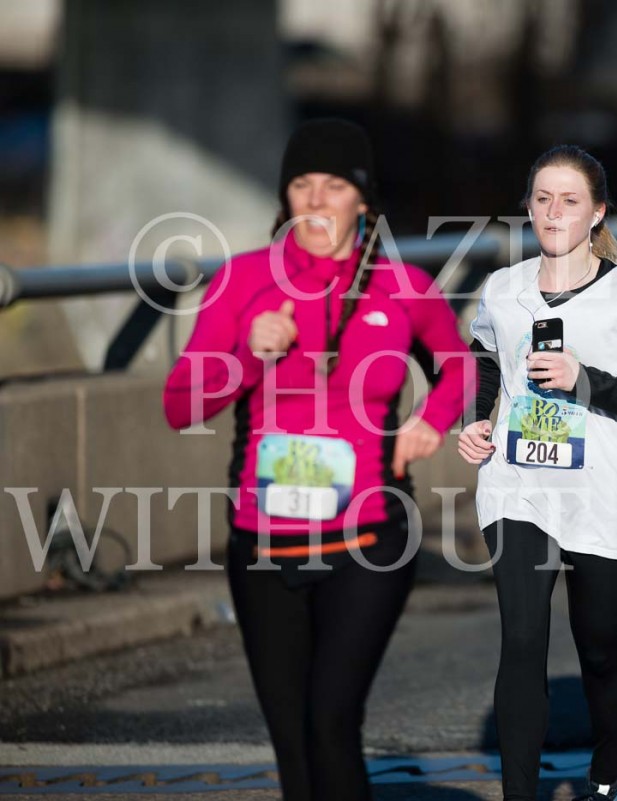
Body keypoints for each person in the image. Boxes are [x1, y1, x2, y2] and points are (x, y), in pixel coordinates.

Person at [163, 119, 474, 801]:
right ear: (285, 196)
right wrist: (248, 353)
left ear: (362, 200)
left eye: (334, 185)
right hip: (263, 547)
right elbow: (179, 404)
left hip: (369, 543)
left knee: (331, 724)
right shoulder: (243, 280)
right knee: (293, 743)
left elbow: (462, 367)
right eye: (301, 184)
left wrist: (430, 420)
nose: (315, 200)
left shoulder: (403, 285)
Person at [459, 145, 617, 801]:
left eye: (569, 200)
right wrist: (473, 420)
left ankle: (609, 758)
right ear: (528, 208)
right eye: (542, 199)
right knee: (522, 639)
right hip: (517, 485)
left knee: (600, 649)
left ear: (597, 213)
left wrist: (584, 379)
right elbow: (483, 357)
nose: (554, 212)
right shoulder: (504, 289)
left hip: (600, 494)